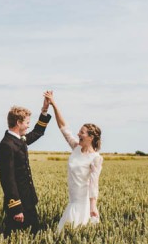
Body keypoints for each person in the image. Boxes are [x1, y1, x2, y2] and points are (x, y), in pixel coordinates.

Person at [43, 91, 103, 232]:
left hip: (83, 203)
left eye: (82, 133)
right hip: (73, 200)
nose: (78, 134)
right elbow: (64, 128)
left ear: (91, 137)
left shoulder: (96, 158)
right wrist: (53, 104)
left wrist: (93, 206)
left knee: (78, 232)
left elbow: (94, 184)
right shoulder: (76, 148)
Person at [0, 97, 51, 236]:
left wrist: (44, 110)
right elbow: (7, 179)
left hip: (28, 200)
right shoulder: (7, 145)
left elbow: (37, 132)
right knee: (14, 240)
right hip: (19, 204)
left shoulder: (18, 139)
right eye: (27, 123)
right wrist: (16, 208)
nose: (28, 126)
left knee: (33, 236)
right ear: (18, 122)